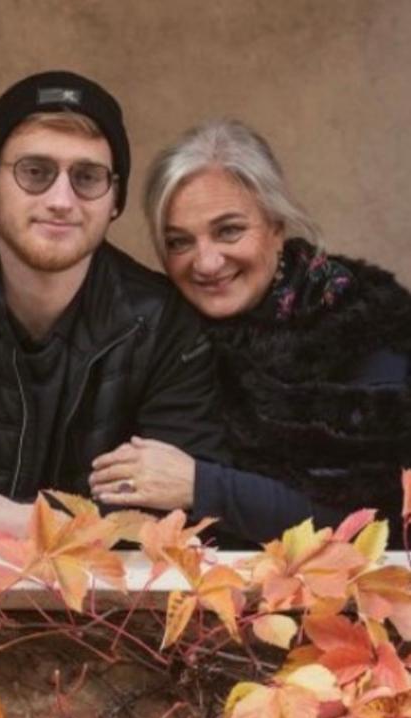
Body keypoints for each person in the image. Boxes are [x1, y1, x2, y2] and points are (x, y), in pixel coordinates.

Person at [0, 72, 226, 547]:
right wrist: (86, 527)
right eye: (35, 172)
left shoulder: (162, 321)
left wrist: (24, 523)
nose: (60, 200)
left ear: (115, 199)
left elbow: (181, 516)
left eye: (87, 177)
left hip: (105, 594)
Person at [90, 118, 411, 545]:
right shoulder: (158, 330)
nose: (206, 262)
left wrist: (201, 486)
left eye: (229, 231)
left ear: (276, 226)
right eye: (180, 241)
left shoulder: (360, 322)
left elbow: (371, 521)